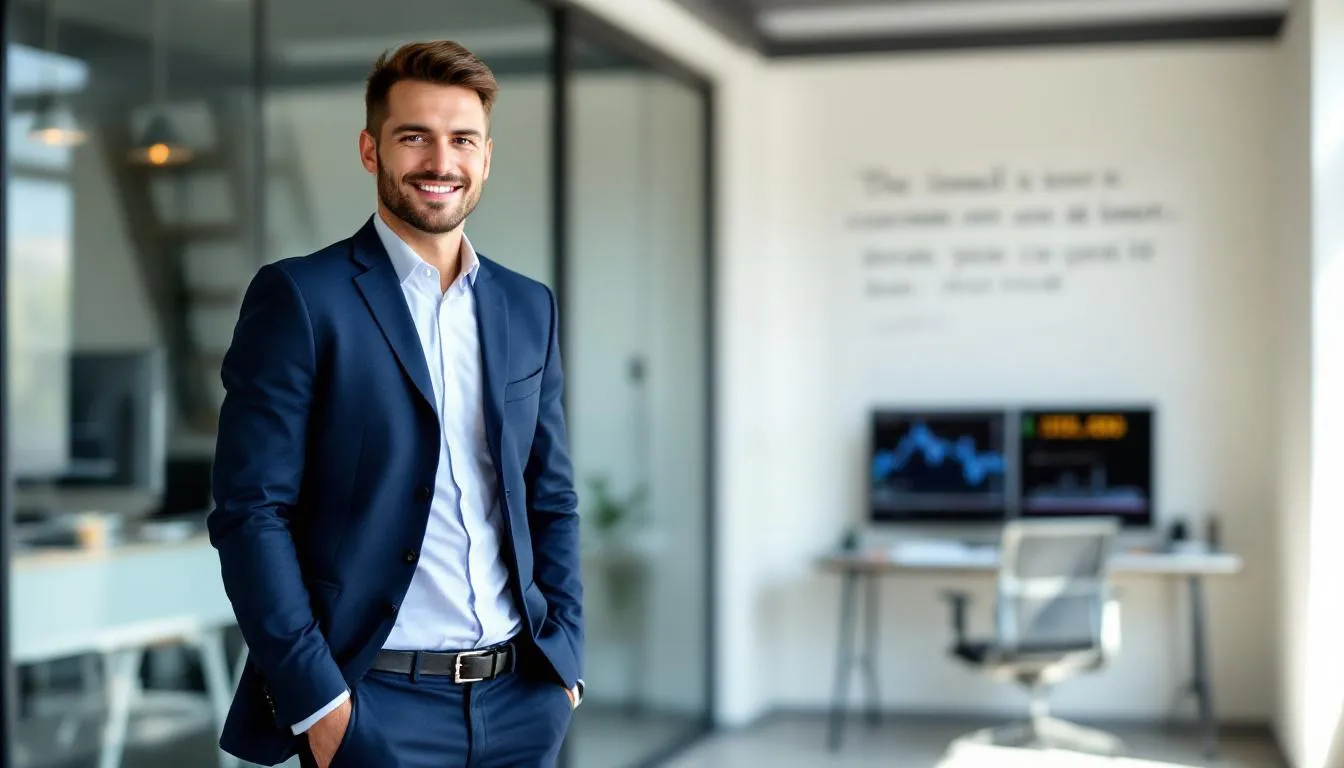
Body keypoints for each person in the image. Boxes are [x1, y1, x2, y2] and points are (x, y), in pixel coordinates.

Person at [208, 40, 583, 768]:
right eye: (414, 136)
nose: (440, 161)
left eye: (461, 140)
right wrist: (320, 703)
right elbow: (250, 512)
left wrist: (565, 661)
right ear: (370, 149)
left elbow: (551, 494)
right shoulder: (301, 299)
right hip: (374, 708)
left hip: (521, 702)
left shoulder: (526, 306)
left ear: (485, 156)